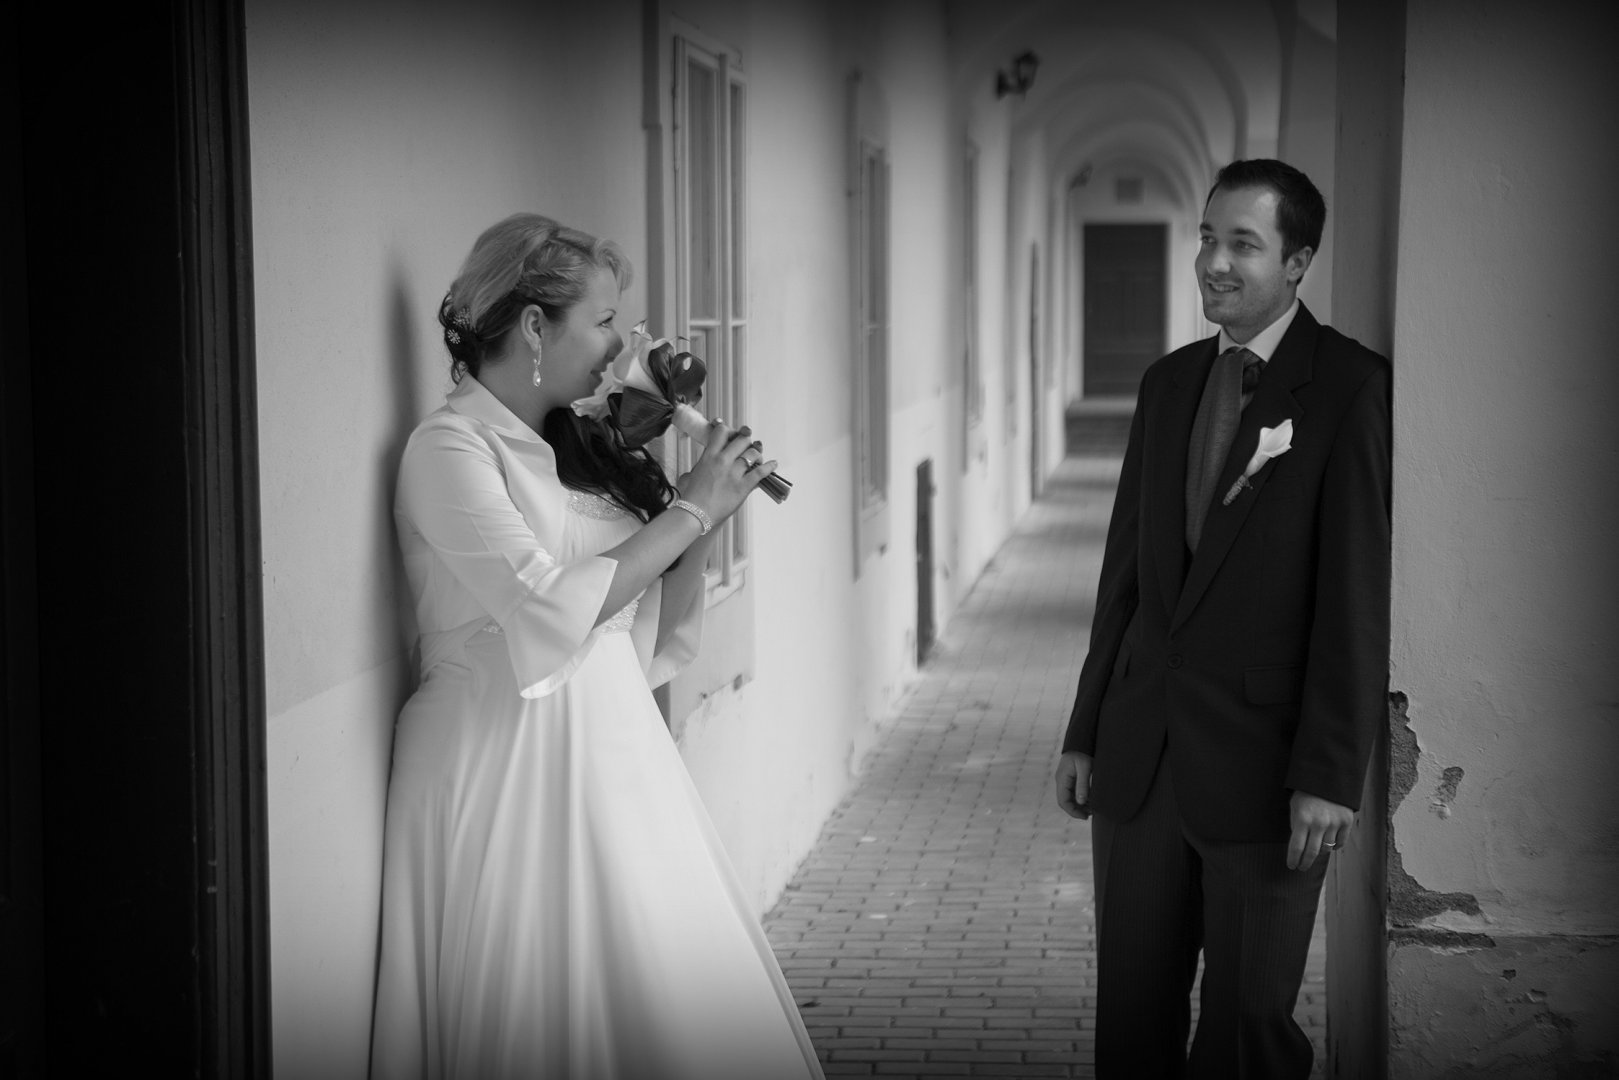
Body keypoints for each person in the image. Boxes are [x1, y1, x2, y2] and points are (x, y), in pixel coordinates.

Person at [369, 214, 823, 1080]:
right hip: (502, 761)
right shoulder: (449, 449)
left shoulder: (573, 442)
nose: (621, 344)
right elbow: (548, 609)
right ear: (535, 327)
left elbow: (633, 621)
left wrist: (698, 508)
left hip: (615, 755)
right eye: (605, 319)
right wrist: (689, 508)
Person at [1053, 160, 1390, 1077]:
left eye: (1242, 243)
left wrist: (1328, 774)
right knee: (1130, 1026)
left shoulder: (1349, 387)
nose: (1213, 261)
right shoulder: (1166, 384)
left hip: (1266, 776)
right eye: (1207, 237)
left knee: (1247, 1035)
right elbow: (1124, 575)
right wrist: (1085, 728)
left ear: (1298, 261)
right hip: (1139, 764)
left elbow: (1354, 599)